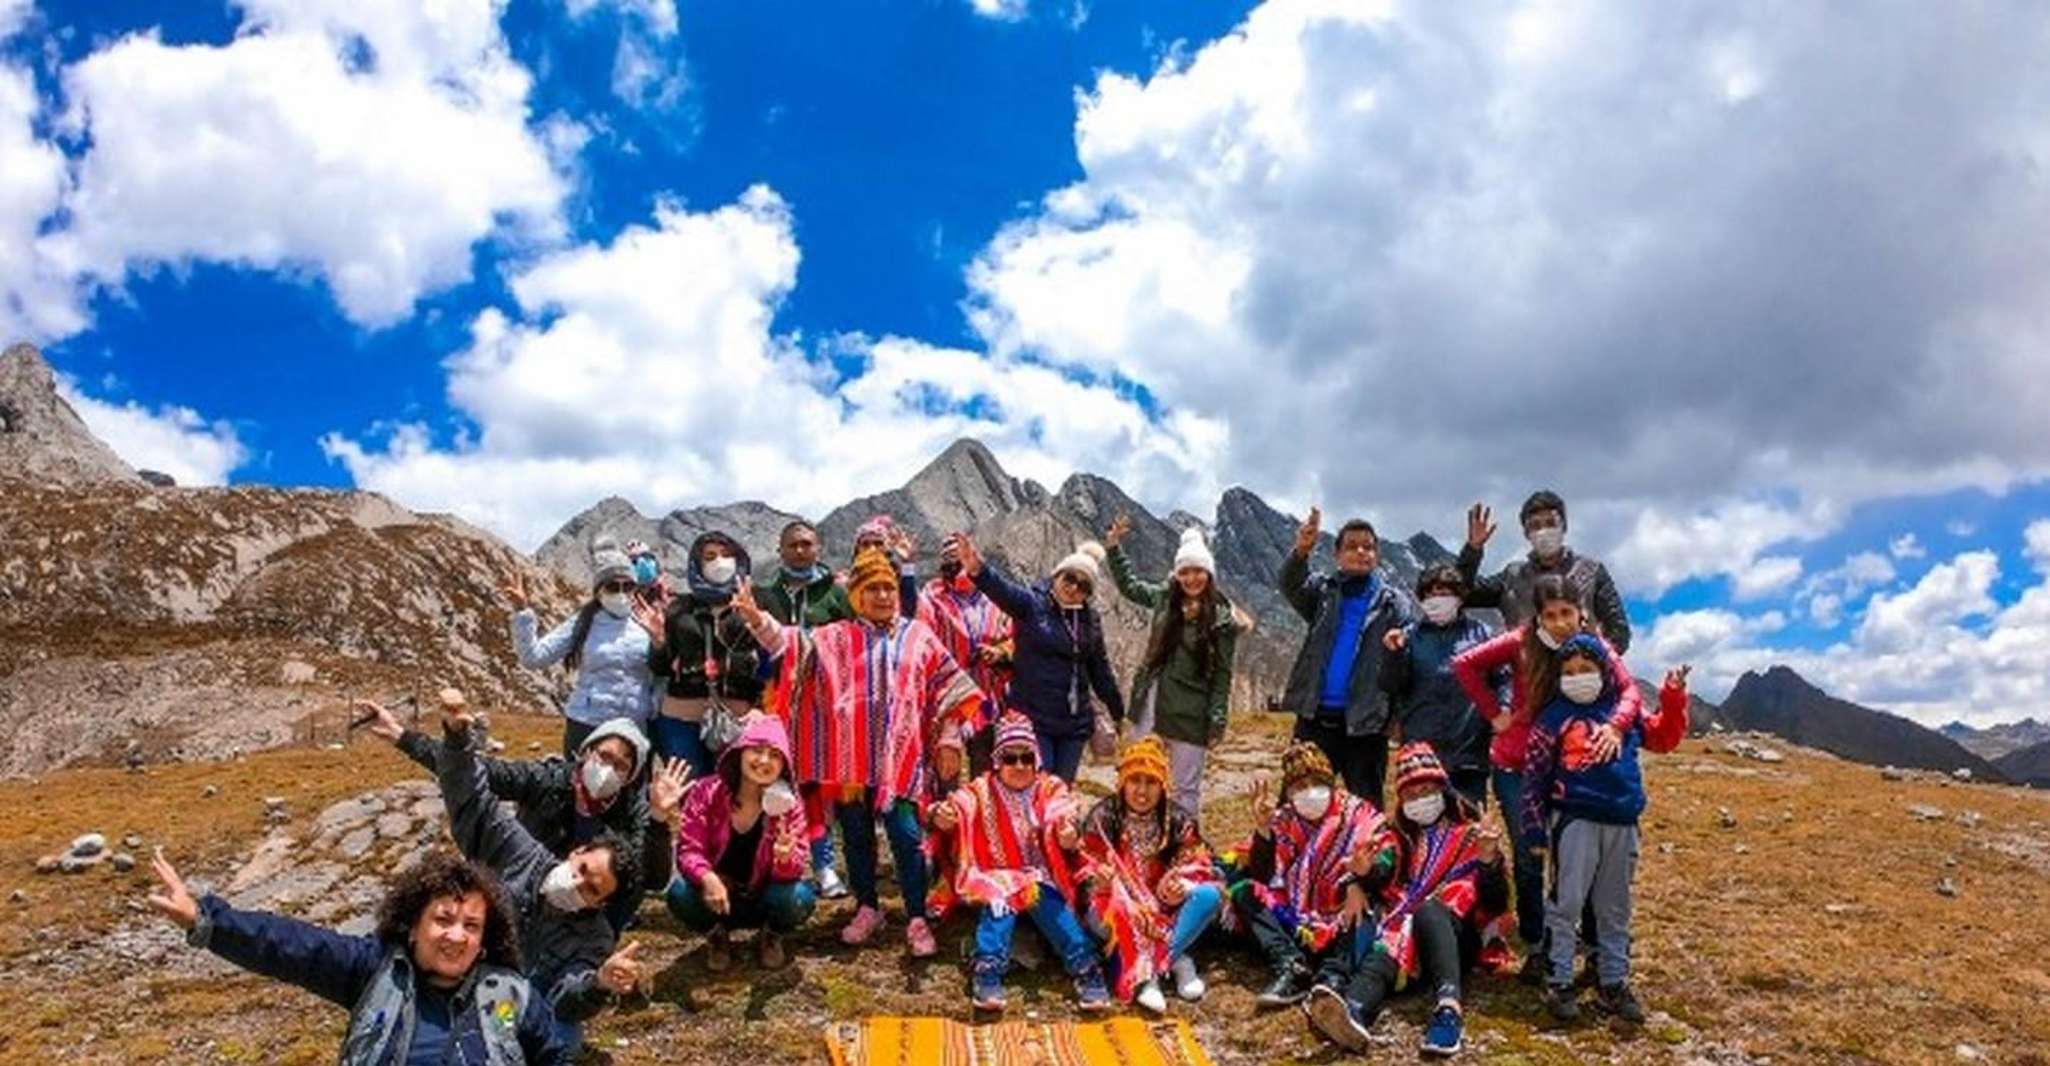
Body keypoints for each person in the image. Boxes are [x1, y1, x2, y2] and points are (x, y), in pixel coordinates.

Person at [740, 549, 984, 957]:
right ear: (856, 595)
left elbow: (951, 685)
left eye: (889, 587)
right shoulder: (835, 636)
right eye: (872, 588)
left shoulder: (918, 635)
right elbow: (789, 644)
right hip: (848, 764)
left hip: (901, 762)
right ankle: (867, 907)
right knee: (854, 838)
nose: (884, 595)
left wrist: (949, 737)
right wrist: (756, 619)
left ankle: (917, 915)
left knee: (907, 839)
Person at [145, 847, 569, 1064]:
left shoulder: (512, 996)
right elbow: (291, 945)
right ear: (414, 924)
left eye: (471, 926)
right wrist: (207, 920)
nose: (456, 936)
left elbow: (554, 1056)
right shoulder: (375, 971)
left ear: (484, 938)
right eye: (443, 919)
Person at [1450, 574, 1648, 980]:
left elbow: (1630, 693)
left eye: (1566, 613)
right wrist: (1494, 714)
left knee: (1580, 859)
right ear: (1538, 617)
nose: (1559, 622)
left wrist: (1614, 726)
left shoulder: (1595, 648)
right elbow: (1464, 663)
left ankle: (1593, 947)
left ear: (1580, 613)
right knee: (1528, 855)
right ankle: (1538, 944)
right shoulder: (1520, 642)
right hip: (1516, 764)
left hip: (1570, 769)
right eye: (1549, 614)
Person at [432, 697, 644, 1047]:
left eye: (591, 889)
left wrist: (598, 984)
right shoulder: (519, 851)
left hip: (519, 1000)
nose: (577, 883)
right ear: (576, 852)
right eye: (581, 869)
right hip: (461, 974)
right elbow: (472, 799)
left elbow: (567, 997)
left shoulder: (595, 939)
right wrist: (457, 740)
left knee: (560, 1038)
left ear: (601, 904)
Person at [360, 693, 661, 934]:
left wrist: (659, 821)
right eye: (604, 755)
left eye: (622, 764)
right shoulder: (548, 779)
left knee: (627, 884)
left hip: (584, 901)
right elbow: (475, 774)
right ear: (586, 752)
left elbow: (651, 877)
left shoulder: (631, 808)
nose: (609, 768)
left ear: (631, 775)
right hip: (523, 880)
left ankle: (602, 943)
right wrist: (404, 736)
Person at [1521, 639, 1691, 1025]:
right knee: (1565, 903)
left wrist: (1673, 698)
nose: (1578, 678)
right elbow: (1534, 779)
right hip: (1574, 822)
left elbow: (1664, 738)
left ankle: (1613, 981)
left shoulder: (1625, 714)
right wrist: (1533, 832)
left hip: (1623, 823)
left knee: (1615, 908)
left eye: (1587, 668)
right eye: (1569, 672)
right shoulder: (1552, 719)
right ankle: (1559, 978)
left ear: (1605, 670)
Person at [1305, 743, 1509, 1058]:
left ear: (1444, 790)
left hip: (1456, 937)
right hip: (1405, 934)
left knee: (1426, 910)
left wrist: (1487, 858)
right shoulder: (1400, 837)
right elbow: (1385, 871)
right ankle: (1354, 1012)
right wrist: (1364, 873)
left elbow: (1495, 903)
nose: (1420, 801)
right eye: (1411, 795)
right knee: (1386, 944)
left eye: (1427, 790)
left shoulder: (1471, 835)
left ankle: (1448, 1009)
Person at [929, 711, 1112, 1013]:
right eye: (1010, 758)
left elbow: (1062, 810)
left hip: (1039, 876)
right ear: (998, 761)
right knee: (1000, 899)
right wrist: (942, 816)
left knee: (1043, 897)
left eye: (1026, 758)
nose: (1019, 766)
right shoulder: (982, 789)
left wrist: (1065, 831)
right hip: (995, 876)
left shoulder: (1048, 786)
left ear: (1036, 759)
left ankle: (1085, 966)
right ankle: (988, 971)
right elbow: (956, 806)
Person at [1228, 741, 1397, 1010]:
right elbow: (1264, 875)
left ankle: (1331, 979)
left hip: (1341, 912)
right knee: (1245, 892)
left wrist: (1360, 879)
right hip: (1297, 914)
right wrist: (1263, 831)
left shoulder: (1358, 814)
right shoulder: (1283, 819)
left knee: (1368, 908)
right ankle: (1291, 965)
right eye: (1299, 787)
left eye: (1316, 783)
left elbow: (1387, 861)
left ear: (1330, 782)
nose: (1309, 793)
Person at [952, 532, 1123, 783]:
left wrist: (1117, 711)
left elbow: (1100, 669)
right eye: (1070, 578)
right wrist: (977, 569)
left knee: (1061, 792)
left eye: (1084, 585)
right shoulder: (1032, 604)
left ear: (1089, 594)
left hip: (1073, 725)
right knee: (1036, 786)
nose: (1074, 587)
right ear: (1057, 574)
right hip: (1033, 718)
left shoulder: (1089, 620)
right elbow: (1002, 590)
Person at [1104, 516, 1246, 815]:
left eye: (1198, 571)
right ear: (1176, 573)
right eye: (1185, 571)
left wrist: (1217, 718)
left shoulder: (1222, 618)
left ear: (1208, 573)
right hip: (1151, 703)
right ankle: (1137, 841)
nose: (1191, 578)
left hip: (1192, 711)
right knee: (1139, 773)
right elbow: (1130, 586)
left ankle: (1184, 849)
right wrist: (1115, 549)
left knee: (1185, 787)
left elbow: (1222, 673)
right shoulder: (1164, 599)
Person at [1076, 736, 1224, 1013]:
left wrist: (1183, 883)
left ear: (1163, 786)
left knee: (1209, 896)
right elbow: (1084, 868)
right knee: (1111, 909)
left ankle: (1151, 969)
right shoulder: (1102, 817)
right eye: (1135, 781)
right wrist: (1102, 880)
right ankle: (1175, 962)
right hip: (1117, 906)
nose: (1142, 791)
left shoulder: (1178, 819)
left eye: (1151, 782)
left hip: (1165, 910)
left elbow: (1203, 862)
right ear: (1123, 783)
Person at [1278, 507, 1412, 809]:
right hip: (1314, 719)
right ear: (1338, 555)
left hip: (1365, 725)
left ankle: (1370, 857)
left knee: (1366, 807)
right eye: (1351, 547)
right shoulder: (1323, 592)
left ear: (1376, 555)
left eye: (1368, 546)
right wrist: (1301, 550)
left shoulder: (1393, 603)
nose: (1360, 552)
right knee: (1296, 801)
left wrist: (1397, 717)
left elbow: (1405, 654)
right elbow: (1289, 585)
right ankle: (1287, 856)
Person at [664, 712, 816, 972]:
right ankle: (716, 933)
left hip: (764, 896)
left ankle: (771, 935)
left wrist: (784, 859)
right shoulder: (706, 792)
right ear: (740, 752)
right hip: (718, 896)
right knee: (679, 893)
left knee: (799, 896)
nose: (764, 761)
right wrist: (708, 878)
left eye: (775, 755)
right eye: (757, 750)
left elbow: (795, 867)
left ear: (784, 766)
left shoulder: (788, 805)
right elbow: (689, 849)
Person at [505, 537, 659, 755]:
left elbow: (663, 671)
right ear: (599, 591)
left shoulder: (648, 621)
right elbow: (533, 657)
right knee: (579, 788)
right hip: (586, 725)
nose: (622, 593)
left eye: (629, 586)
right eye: (614, 586)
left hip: (634, 728)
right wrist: (522, 612)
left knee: (632, 789)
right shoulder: (582, 621)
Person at [638, 531, 767, 778]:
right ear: (697, 563)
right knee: (689, 792)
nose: (720, 561)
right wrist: (658, 642)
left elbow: (773, 658)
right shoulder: (679, 609)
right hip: (681, 719)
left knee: (733, 792)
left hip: (739, 720)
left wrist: (760, 706)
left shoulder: (757, 602)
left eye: (727, 555)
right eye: (710, 556)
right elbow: (661, 668)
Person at [1381, 564, 1499, 809]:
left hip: (1469, 755)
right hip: (1420, 756)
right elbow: (1391, 684)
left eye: (1444, 593)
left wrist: (1502, 714)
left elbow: (1502, 680)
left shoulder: (1483, 635)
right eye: (1430, 594)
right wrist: (1393, 654)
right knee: (1423, 829)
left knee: (1469, 833)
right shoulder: (1409, 636)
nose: (1436, 599)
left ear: (1460, 597)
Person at [1456, 492, 1632, 653]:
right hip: (1527, 680)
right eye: (1535, 526)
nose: (1543, 531)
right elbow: (1462, 594)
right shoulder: (1512, 577)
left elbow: (1619, 632)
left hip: (1578, 680)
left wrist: (1594, 662)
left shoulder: (1591, 571)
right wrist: (1473, 550)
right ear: (1526, 533)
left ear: (1564, 527)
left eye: (1550, 523)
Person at [916, 533, 1015, 776]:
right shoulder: (931, 599)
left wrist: (1000, 652)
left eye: (962, 559)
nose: (957, 566)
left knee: (985, 772)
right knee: (946, 772)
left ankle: (981, 814)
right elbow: (922, 639)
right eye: (950, 561)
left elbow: (1016, 637)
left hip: (989, 697)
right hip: (948, 700)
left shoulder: (996, 598)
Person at [757, 520, 853, 631]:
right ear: (780, 551)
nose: (799, 551)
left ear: (818, 550)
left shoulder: (837, 591)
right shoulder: (763, 591)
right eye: (792, 546)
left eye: (806, 544)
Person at [624, 538, 672, 613]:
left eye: (646, 557)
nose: (642, 562)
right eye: (634, 561)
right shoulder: (629, 603)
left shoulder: (666, 592)